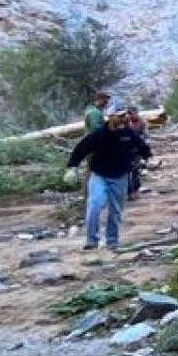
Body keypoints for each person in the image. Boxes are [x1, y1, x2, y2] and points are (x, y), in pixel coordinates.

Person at [67, 102, 153, 252]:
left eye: (124, 115)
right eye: (119, 116)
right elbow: (81, 148)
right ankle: (91, 240)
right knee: (94, 204)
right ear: (110, 117)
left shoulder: (128, 133)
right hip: (99, 175)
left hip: (120, 176)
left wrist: (148, 157)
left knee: (115, 210)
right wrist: (72, 166)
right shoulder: (99, 134)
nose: (123, 118)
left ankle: (112, 242)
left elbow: (142, 146)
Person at [124, 105, 150, 197]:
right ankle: (129, 191)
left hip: (137, 149)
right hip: (128, 149)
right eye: (128, 114)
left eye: (131, 113)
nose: (130, 115)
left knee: (135, 169)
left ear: (135, 112)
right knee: (128, 170)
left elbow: (141, 134)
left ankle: (134, 190)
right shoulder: (127, 122)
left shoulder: (141, 122)